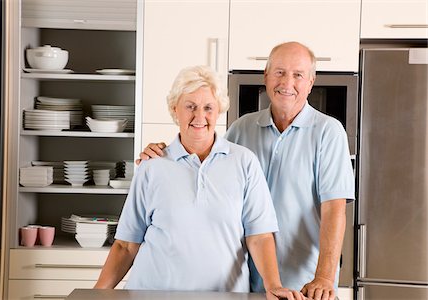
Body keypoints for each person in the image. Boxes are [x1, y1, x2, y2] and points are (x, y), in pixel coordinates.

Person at [138, 42, 355, 300]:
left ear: (310, 81)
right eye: (279, 72)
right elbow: (200, 159)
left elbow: (334, 210)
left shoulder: (328, 132)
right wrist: (161, 152)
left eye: (298, 74)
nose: (287, 82)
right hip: (244, 279)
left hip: (303, 283)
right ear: (265, 76)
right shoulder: (242, 128)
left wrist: (324, 277)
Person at [95, 65, 304, 300]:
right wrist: (95, 295)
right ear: (175, 109)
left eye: (208, 108)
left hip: (225, 296)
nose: (199, 117)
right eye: (190, 107)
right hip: (152, 294)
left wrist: (273, 284)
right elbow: (126, 244)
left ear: (219, 112)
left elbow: (260, 235)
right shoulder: (152, 166)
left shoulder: (244, 162)